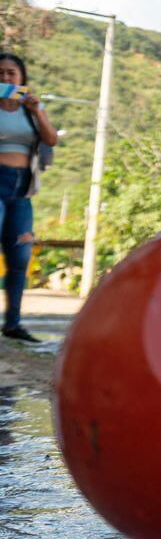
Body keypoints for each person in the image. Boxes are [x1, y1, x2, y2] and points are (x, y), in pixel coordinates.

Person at [0, 54, 57, 342]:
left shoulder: (31, 108)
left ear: (22, 78)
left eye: (12, 73)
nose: (6, 79)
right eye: (1, 74)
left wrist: (37, 111)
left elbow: (51, 139)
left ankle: (13, 323)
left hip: (23, 189)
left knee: (20, 256)